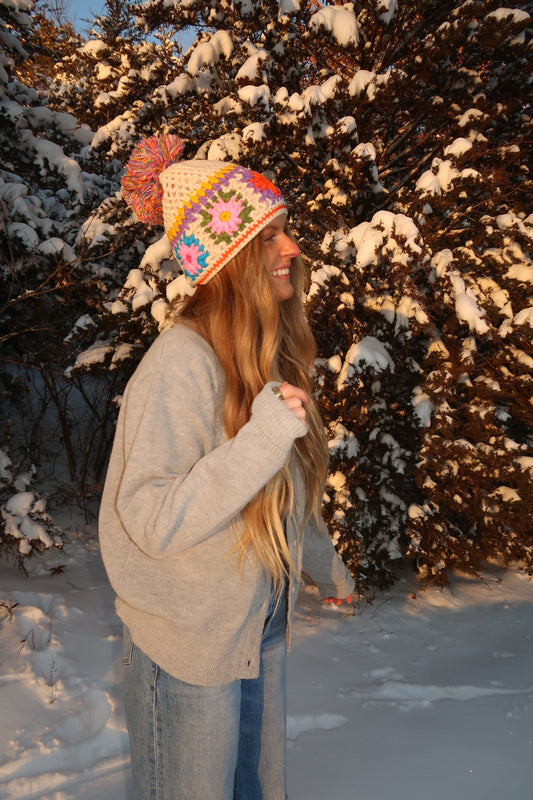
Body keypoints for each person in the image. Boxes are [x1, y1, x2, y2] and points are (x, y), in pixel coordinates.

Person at [99, 135, 355, 800]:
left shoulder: (255, 352)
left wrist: (317, 558)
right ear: (230, 255)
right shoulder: (178, 365)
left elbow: (277, 484)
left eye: (286, 234)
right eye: (270, 238)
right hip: (187, 647)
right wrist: (262, 438)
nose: (291, 250)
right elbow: (150, 516)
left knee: (251, 790)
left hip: (254, 618)